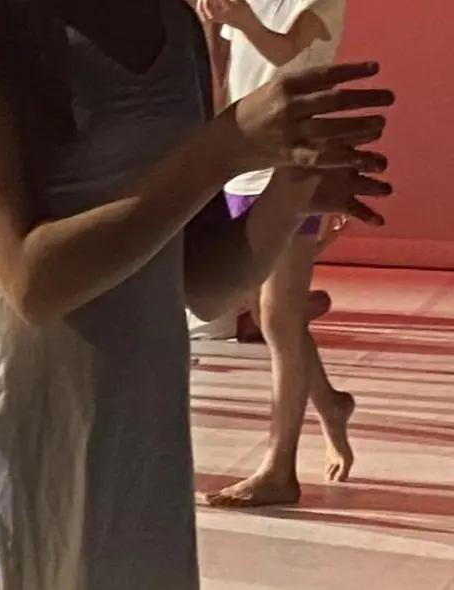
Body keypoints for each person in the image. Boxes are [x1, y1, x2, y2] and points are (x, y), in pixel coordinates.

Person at [0, 0, 393, 588]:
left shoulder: (175, 21)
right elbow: (31, 284)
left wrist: (289, 194)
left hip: (144, 436)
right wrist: (225, 146)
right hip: (28, 423)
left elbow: (202, 282)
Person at [197, 0, 354, 507]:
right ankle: (329, 403)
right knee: (271, 313)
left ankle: (279, 468)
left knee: (279, 315)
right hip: (244, 160)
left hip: (290, 160)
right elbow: (228, 69)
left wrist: (239, 19)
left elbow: (286, 54)